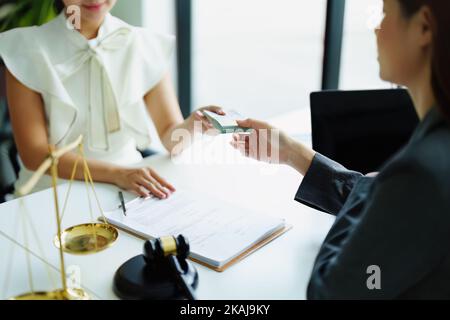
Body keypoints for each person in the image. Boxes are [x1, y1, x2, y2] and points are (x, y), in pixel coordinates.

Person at [231, 0, 450, 299]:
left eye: (384, 13)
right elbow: (397, 214)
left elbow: (328, 292)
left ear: (424, 27)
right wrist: (293, 152)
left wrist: (371, 185)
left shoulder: (420, 170)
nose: (375, 27)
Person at [0, 0, 223, 198]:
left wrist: (194, 124)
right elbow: (35, 155)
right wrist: (116, 173)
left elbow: (169, 137)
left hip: (130, 188)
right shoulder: (26, 49)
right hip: (51, 194)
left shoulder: (144, 44)